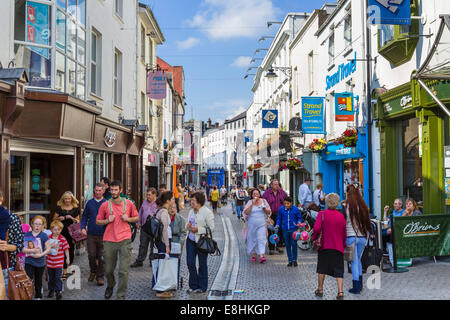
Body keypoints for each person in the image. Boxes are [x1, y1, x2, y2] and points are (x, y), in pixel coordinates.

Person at [96, 180, 139, 300]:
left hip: (125, 240)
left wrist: (128, 219)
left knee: (123, 271)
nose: (113, 192)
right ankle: (110, 285)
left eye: (116, 190)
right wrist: (107, 220)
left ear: (121, 190)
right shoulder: (105, 204)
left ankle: (120, 296)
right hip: (109, 240)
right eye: (112, 190)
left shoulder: (129, 203)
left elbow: (136, 218)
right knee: (108, 270)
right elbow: (98, 221)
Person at [311, 193, 347, 300]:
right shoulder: (341, 216)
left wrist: (313, 238)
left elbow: (317, 229)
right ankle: (340, 292)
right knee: (339, 270)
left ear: (326, 202)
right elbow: (344, 233)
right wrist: (343, 244)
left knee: (322, 268)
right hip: (338, 247)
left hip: (324, 246)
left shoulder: (321, 214)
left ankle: (320, 289)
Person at [343, 184, 373, 294]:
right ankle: (359, 285)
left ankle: (356, 287)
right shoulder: (364, 205)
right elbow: (369, 222)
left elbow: (343, 222)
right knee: (358, 260)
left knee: (354, 262)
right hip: (362, 237)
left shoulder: (346, 205)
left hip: (351, 237)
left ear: (348, 193)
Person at [185, 192, 215, 294]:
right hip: (190, 240)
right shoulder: (191, 211)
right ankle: (193, 285)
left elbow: (211, 228)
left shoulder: (207, 212)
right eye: (191, 200)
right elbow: (187, 223)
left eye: (193, 200)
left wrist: (198, 229)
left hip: (202, 242)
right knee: (190, 263)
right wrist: (188, 226)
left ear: (199, 202)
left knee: (202, 264)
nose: (191, 202)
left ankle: (202, 287)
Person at [81, 183, 107, 285]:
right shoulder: (89, 203)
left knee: (101, 256)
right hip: (91, 234)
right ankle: (93, 271)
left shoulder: (107, 203)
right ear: (94, 191)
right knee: (91, 255)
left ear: (103, 191)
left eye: (100, 190)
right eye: (96, 190)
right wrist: (83, 227)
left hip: (104, 234)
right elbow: (84, 217)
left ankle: (100, 277)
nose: (98, 192)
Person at [0, 191, 24, 299]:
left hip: (6, 266)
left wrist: (8, 246)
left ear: (1, 199)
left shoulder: (12, 219)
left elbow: (20, 244)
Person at [23, 215, 53, 300]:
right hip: (29, 261)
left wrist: (41, 254)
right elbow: (22, 248)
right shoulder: (27, 235)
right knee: (28, 279)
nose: (37, 226)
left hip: (40, 262)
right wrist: (30, 251)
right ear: (32, 224)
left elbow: (48, 249)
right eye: (35, 224)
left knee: (38, 281)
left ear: (43, 225)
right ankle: (28, 295)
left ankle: (38, 296)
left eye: (40, 224)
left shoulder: (44, 236)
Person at [152, 191, 174, 298]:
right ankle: (161, 290)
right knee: (162, 265)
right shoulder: (164, 212)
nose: (173, 201)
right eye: (172, 199)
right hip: (163, 241)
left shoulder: (159, 210)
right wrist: (167, 245)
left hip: (159, 241)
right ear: (168, 201)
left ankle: (158, 286)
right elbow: (165, 230)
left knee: (160, 263)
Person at [53, 191, 80, 280]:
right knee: (62, 249)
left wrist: (72, 218)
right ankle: (63, 270)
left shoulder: (75, 208)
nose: (67, 200)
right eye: (66, 199)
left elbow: (78, 221)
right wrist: (60, 218)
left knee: (71, 249)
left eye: (69, 199)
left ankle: (70, 265)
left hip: (72, 232)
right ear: (63, 199)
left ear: (71, 199)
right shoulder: (59, 207)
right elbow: (54, 219)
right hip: (61, 231)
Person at [130, 188, 158, 268]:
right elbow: (141, 212)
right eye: (147, 195)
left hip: (153, 228)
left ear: (154, 195)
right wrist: (138, 222)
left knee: (153, 245)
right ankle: (139, 260)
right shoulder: (145, 202)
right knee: (143, 245)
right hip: (144, 227)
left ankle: (152, 261)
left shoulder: (158, 203)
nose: (148, 197)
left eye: (149, 195)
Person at [243, 189, 271, 263]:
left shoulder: (264, 201)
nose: (256, 195)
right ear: (252, 195)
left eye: (257, 194)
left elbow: (269, 212)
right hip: (252, 225)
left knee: (261, 238)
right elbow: (246, 212)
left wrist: (264, 209)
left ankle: (261, 255)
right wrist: (252, 204)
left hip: (262, 224)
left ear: (259, 195)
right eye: (254, 194)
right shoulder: (249, 202)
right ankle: (254, 254)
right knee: (253, 239)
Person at [262, 179, 288, 255]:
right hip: (270, 215)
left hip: (280, 214)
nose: (277, 185)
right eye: (275, 184)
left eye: (278, 184)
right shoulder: (266, 194)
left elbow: (287, 202)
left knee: (280, 230)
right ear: (271, 185)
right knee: (271, 230)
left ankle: (279, 246)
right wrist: (266, 216)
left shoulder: (282, 193)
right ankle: (271, 248)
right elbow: (263, 205)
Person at [46, 220, 70, 300]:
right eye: (55, 229)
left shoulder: (62, 239)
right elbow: (45, 248)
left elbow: (66, 249)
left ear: (61, 230)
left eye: (58, 229)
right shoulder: (48, 238)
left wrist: (67, 258)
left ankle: (58, 291)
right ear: (51, 230)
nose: (57, 231)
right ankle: (51, 289)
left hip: (59, 263)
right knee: (51, 277)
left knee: (58, 277)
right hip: (49, 262)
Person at [276, 196, 302, 267]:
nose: (286, 205)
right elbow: (279, 218)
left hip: (293, 229)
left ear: (291, 203)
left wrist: (299, 222)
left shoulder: (296, 209)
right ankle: (290, 260)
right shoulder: (281, 209)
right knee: (287, 245)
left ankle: (295, 260)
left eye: (288, 203)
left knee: (294, 244)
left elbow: (299, 217)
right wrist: (277, 225)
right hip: (285, 229)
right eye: (285, 203)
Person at [169, 202, 187, 290]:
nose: (172, 209)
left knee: (176, 263)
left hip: (176, 242)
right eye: (170, 207)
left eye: (174, 207)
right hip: (167, 242)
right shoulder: (166, 218)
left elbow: (184, 233)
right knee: (167, 263)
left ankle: (175, 283)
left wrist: (181, 243)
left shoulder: (181, 219)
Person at [382, 198, 404, 264]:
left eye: (398, 204)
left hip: (397, 231)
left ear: (401, 205)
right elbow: (385, 222)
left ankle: (385, 251)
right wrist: (385, 211)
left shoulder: (403, 212)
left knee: (385, 234)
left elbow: (402, 223)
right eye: (395, 203)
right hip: (389, 229)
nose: (396, 205)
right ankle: (384, 251)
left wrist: (392, 228)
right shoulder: (393, 212)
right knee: (378, 233)